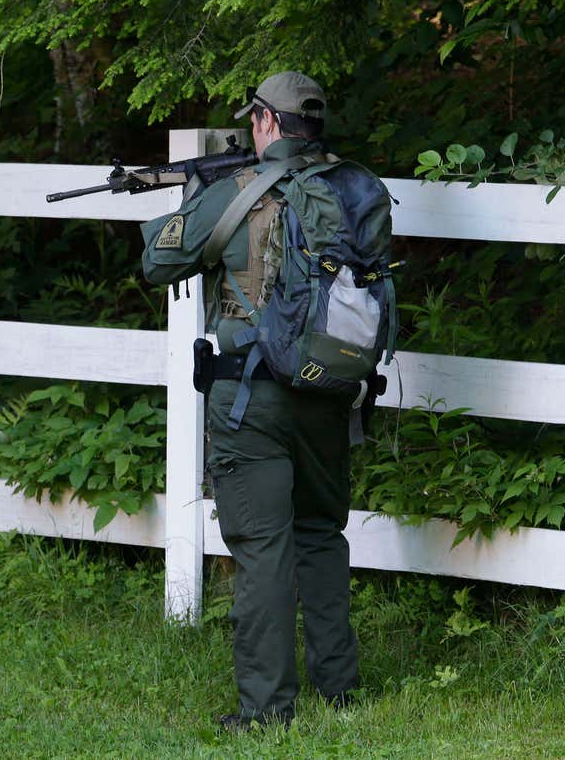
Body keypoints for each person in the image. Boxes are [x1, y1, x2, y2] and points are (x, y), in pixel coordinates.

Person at [139, 72, 390, 732]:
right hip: (332, 390)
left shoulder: (239, 192)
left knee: (261, 549)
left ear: (267, 122)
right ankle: (338, 691)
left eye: (254, 118)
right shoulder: (361, 190)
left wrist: (197, 199)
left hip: (250, 396)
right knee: (320, 536)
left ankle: (266, 710)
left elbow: (159, 263)